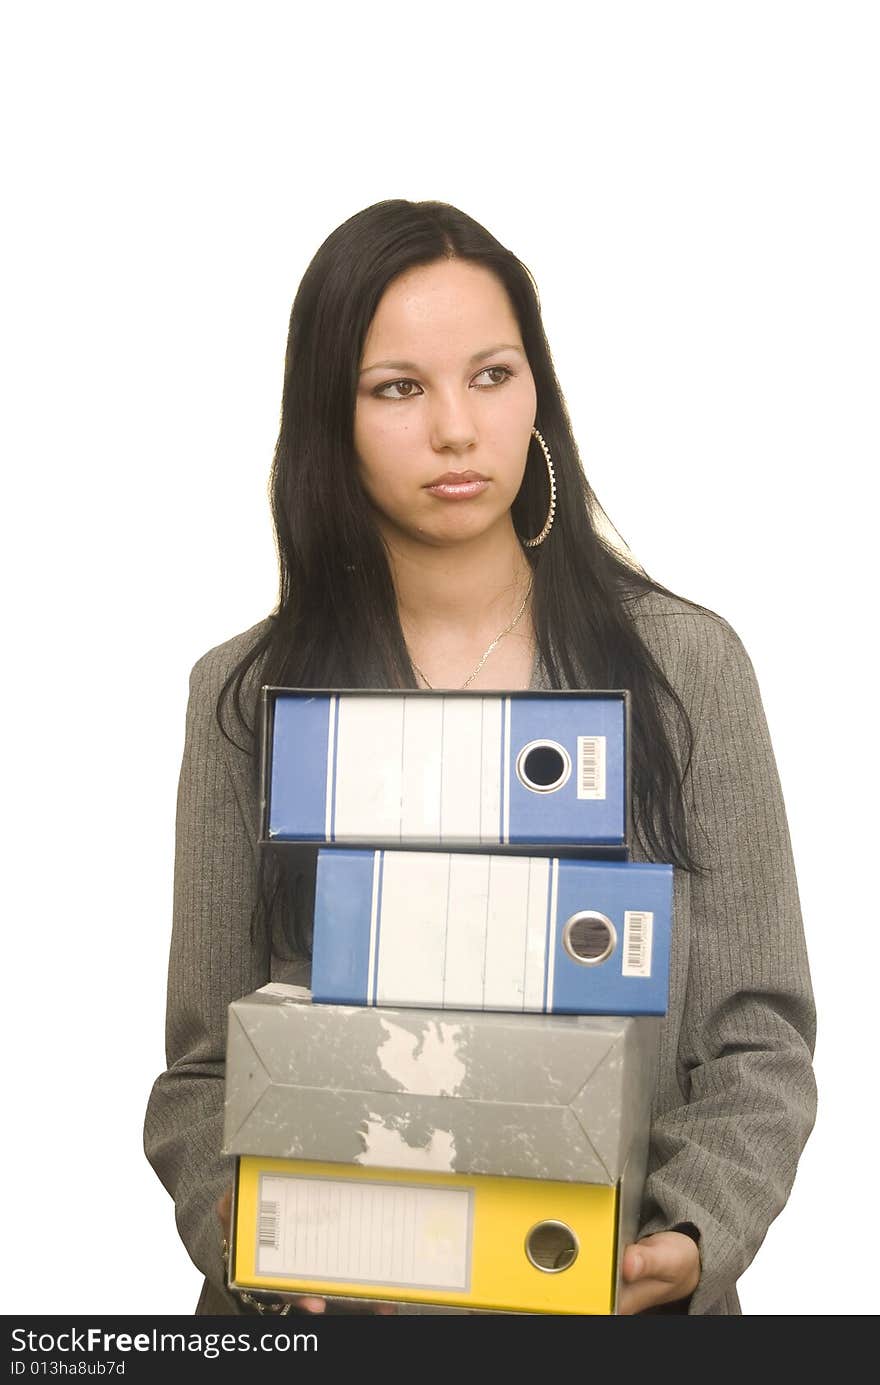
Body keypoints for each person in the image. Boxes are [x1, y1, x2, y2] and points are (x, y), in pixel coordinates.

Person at [143, 199, 817, 1317]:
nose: (456, 428)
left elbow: (759, 1032)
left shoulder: (685, 664)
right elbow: (203, 1071)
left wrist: (694, 1229)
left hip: (607, 1301)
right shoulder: (247, 695)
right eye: (398, 387)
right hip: (327, 1314)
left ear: (537, 393)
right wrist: (248, 1233)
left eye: (492, 375)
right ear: (331, 418)